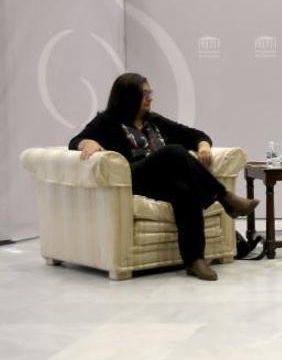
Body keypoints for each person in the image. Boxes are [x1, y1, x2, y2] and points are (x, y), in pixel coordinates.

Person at [69, 73, 259, 281]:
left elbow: (194, 134)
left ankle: (195, 260)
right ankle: (225, 198)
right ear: (128, 97)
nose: (150, 97)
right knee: (174, 151)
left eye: (150, 92)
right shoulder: (107, 121)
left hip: (159, 181)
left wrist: (203, 145)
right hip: (131, 177)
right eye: (145, 93)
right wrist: (87, 143)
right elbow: (75, 141)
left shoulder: (154, 121)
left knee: (185, 191)